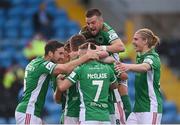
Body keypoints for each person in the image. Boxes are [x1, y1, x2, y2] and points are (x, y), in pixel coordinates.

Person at [15, 40, 99, 124]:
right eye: (60, 53)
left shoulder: (35, 62)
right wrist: (86, 57)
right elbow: (65, 68)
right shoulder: (42, 64)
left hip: (31, 112)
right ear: (51, 53)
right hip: (28, 111)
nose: (62, 57)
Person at [80, 8, 131, 122]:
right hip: (94, 65)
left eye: (93, 23)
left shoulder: (107, 29)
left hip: (112, 64)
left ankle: (127, 118)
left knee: (121, 90)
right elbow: (78, 48)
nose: (90, 26)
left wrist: (102, 49)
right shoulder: (84, 32)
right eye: (88, 23)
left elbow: (121, 47)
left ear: (101, 21)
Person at [57, 42, 118, 124]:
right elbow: (114, 85)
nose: (80, 58)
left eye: (81, 55)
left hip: (88, 116)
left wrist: (58, 79)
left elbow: (62, 87)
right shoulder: (107, 68)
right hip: (105, 117)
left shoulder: (80, 69)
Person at [115, 28, 163, 124]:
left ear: (145, 41)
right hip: (137, 109)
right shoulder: (139, 57)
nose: (133, 42)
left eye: (136, 39)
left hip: (150, 108)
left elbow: (145, 67)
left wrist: (127, 66)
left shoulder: (153, 57)